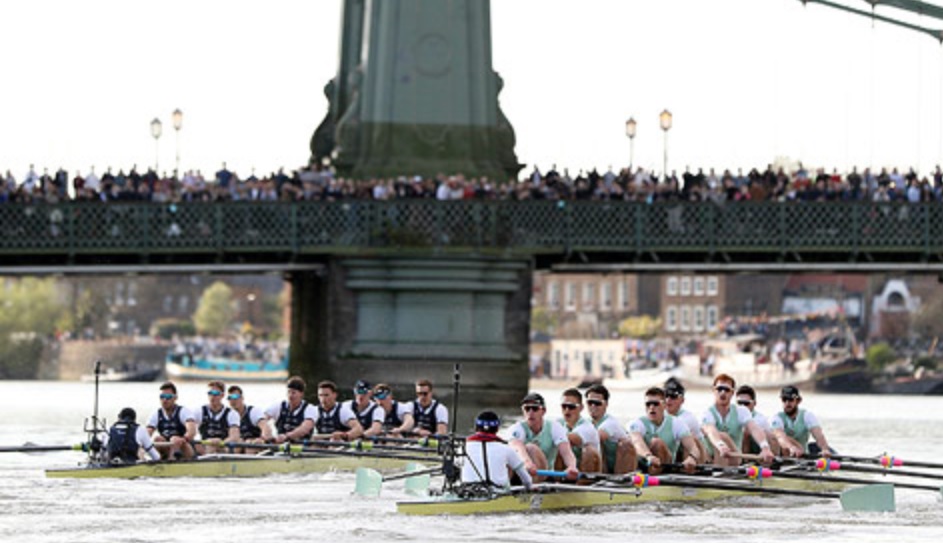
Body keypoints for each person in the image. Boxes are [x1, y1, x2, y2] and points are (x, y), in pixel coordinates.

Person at [701, 374, 774, 467]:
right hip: (711, 458)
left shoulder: (741, 411)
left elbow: (754, 428)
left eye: (727, 390)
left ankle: (720, 474)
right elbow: (710, 430)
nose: (723, 392)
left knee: (723, 436)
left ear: (732, 393)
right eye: (719, 389)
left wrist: (765, 447)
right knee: (717, 437)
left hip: (734, 458)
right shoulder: (707, 413)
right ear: (713, 391)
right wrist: (721, 445)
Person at [507, 393, 578, 482]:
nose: (530, 412)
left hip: (545, 475)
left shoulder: (554, 427)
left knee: (531, 448)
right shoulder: (516, 428)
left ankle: (534, 488)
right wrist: (527, 463)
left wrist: (572, 467)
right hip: (522, 473)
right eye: (527, 408)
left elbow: (566, 452)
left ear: (543, 411)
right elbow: (517, 447)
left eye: (535, 408)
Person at [627, 387, 699, 474]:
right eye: (648, 404)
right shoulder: (637, 423)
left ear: (664, 405)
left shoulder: (677, 423)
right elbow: (637, 442)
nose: (651, 407)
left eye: (655, 404)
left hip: (667, 466)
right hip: (643, 465)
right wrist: (648, 456)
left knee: (657, 443)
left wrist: (692, 458)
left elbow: (693, 448)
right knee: (625, 444)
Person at [462, 411, 532, 491]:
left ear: (476, 428)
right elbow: (527, 480)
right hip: (498, 494)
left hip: (469, 492)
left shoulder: (463, 447)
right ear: (497, 429)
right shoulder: (506, 449)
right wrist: (529, 490)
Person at [771, 385, 832, 457]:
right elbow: (779, 436)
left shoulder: (807, 416)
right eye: (784, 399)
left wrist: (824, 449)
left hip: (803, 456)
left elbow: (818, 434)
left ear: (798, 401)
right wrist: (791, 447)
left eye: (790, 399)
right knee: (776, 437)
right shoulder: (777, 418)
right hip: (784, 457)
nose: (787, 403)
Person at [585, 384, 633, 474]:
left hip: (624, 466)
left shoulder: (611, 423)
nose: (593, 406)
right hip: (605, 467)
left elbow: (596, 437)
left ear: (606, 404)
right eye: (590, 402)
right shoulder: (585, 423)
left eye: (597, 403)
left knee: (593, 444)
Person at [146, 381, 197, 460]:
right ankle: (158, 463)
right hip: (167, 448)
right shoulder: (156, 414)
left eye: (168, 396)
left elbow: (192, 431)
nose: (165, 399)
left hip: (185, 448)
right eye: (162, 396)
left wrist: (183, 439)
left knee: (174, 439)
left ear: (175, 398)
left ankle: (171, 461)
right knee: (157, 439)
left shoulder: (184, 411)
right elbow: (147, 434)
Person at [556, 388, 602, 474]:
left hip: (587, 470)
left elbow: (570, 439)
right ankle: (557, 481)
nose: (567, 410)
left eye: (571, 407)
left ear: (581, 408)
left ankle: (583, 485)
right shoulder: (558, 423)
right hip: (568, 471)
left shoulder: (587, 427)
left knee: (588, 451)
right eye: (564, 406)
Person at [263, 375, 317, 444]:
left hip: (302, 446)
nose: (290, 396)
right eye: (288, 392)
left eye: (293, 393)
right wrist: (266, 431)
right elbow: (262, 419)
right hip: (280, 445)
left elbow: (305, 428)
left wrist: (287, 436)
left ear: (301, 394)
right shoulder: (278, 406)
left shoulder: (310, 409)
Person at [194, 380, 241, 454]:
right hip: (205, 445)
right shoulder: (199, 411)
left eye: (216, 393)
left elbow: (234, 436)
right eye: (210, 393)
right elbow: (189, 429)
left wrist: (219, 443)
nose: (212, 396)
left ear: (222, 395)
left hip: (223, 446)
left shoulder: (231, 413)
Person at [736, 384, 780, 455]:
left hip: (757, 450)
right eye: (739, 403)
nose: (742, 407)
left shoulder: (760, 419)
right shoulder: (730, 414)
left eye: (746, 403)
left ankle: (772, 460)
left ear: (754, 403)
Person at [226, 384, 272, 453]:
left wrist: (262, 439)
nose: (233, 400)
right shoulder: (227, 414)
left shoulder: (253, 411)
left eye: (235, 397)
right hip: (239, 444)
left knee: (249, 447)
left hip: (255, 444)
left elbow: (265, 427)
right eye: (230, 397)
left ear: (242, 398)